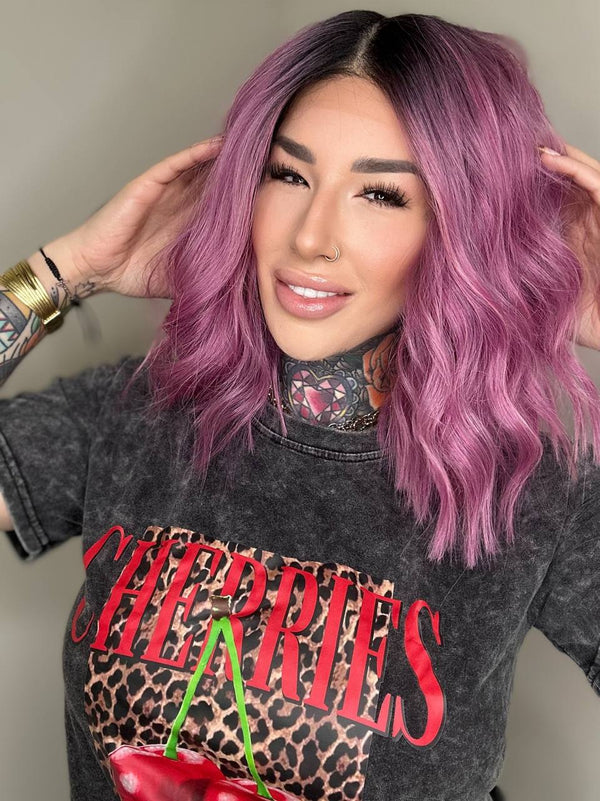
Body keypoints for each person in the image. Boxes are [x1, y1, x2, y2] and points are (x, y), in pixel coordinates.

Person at [1, 10, 599, 801]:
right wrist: (62, 272)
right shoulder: (141, 411)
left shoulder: (530, 489)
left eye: (381, 194)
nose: (312, 236)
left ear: (463, 230)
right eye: (288, 176)